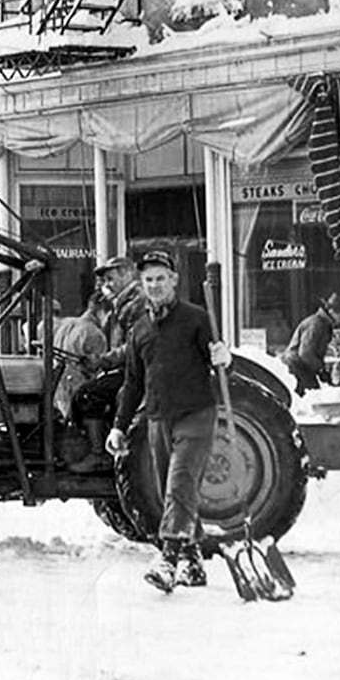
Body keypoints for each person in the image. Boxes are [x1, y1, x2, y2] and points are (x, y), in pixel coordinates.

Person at [106, 251, 232, 593]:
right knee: (171, 492)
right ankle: (193, 560)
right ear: (142, 284)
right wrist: (119, 426)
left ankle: (168, 559)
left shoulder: (196, 318)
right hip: (158, 418)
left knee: (179, 485)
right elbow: (132, 383)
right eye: (149, 280)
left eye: (161, 278)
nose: (155, 285)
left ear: (174, 280)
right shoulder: (140, 330)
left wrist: (224, 356)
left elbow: (218, 360)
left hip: (195, 414)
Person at [52, 292, 112, 472]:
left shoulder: (66, 324)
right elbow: (98, 368)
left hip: (60, 390)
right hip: (80, 390)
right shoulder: (94, 334)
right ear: (101, 311)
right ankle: (98, 452)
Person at [280, 293, 340, 395]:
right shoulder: (316, 324)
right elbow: (305, 354)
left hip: (302, 367)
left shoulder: (324, 324)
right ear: (331, 312)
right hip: (297, 367)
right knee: (312, 397)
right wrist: (320, 369)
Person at [89, 254, 145, 372]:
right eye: (104, 281)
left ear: (126, 274)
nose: (107, 285)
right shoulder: (122, 304)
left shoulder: (137, 302)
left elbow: (135, 345)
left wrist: (104, 361)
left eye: (110, 279)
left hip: (136, 373)